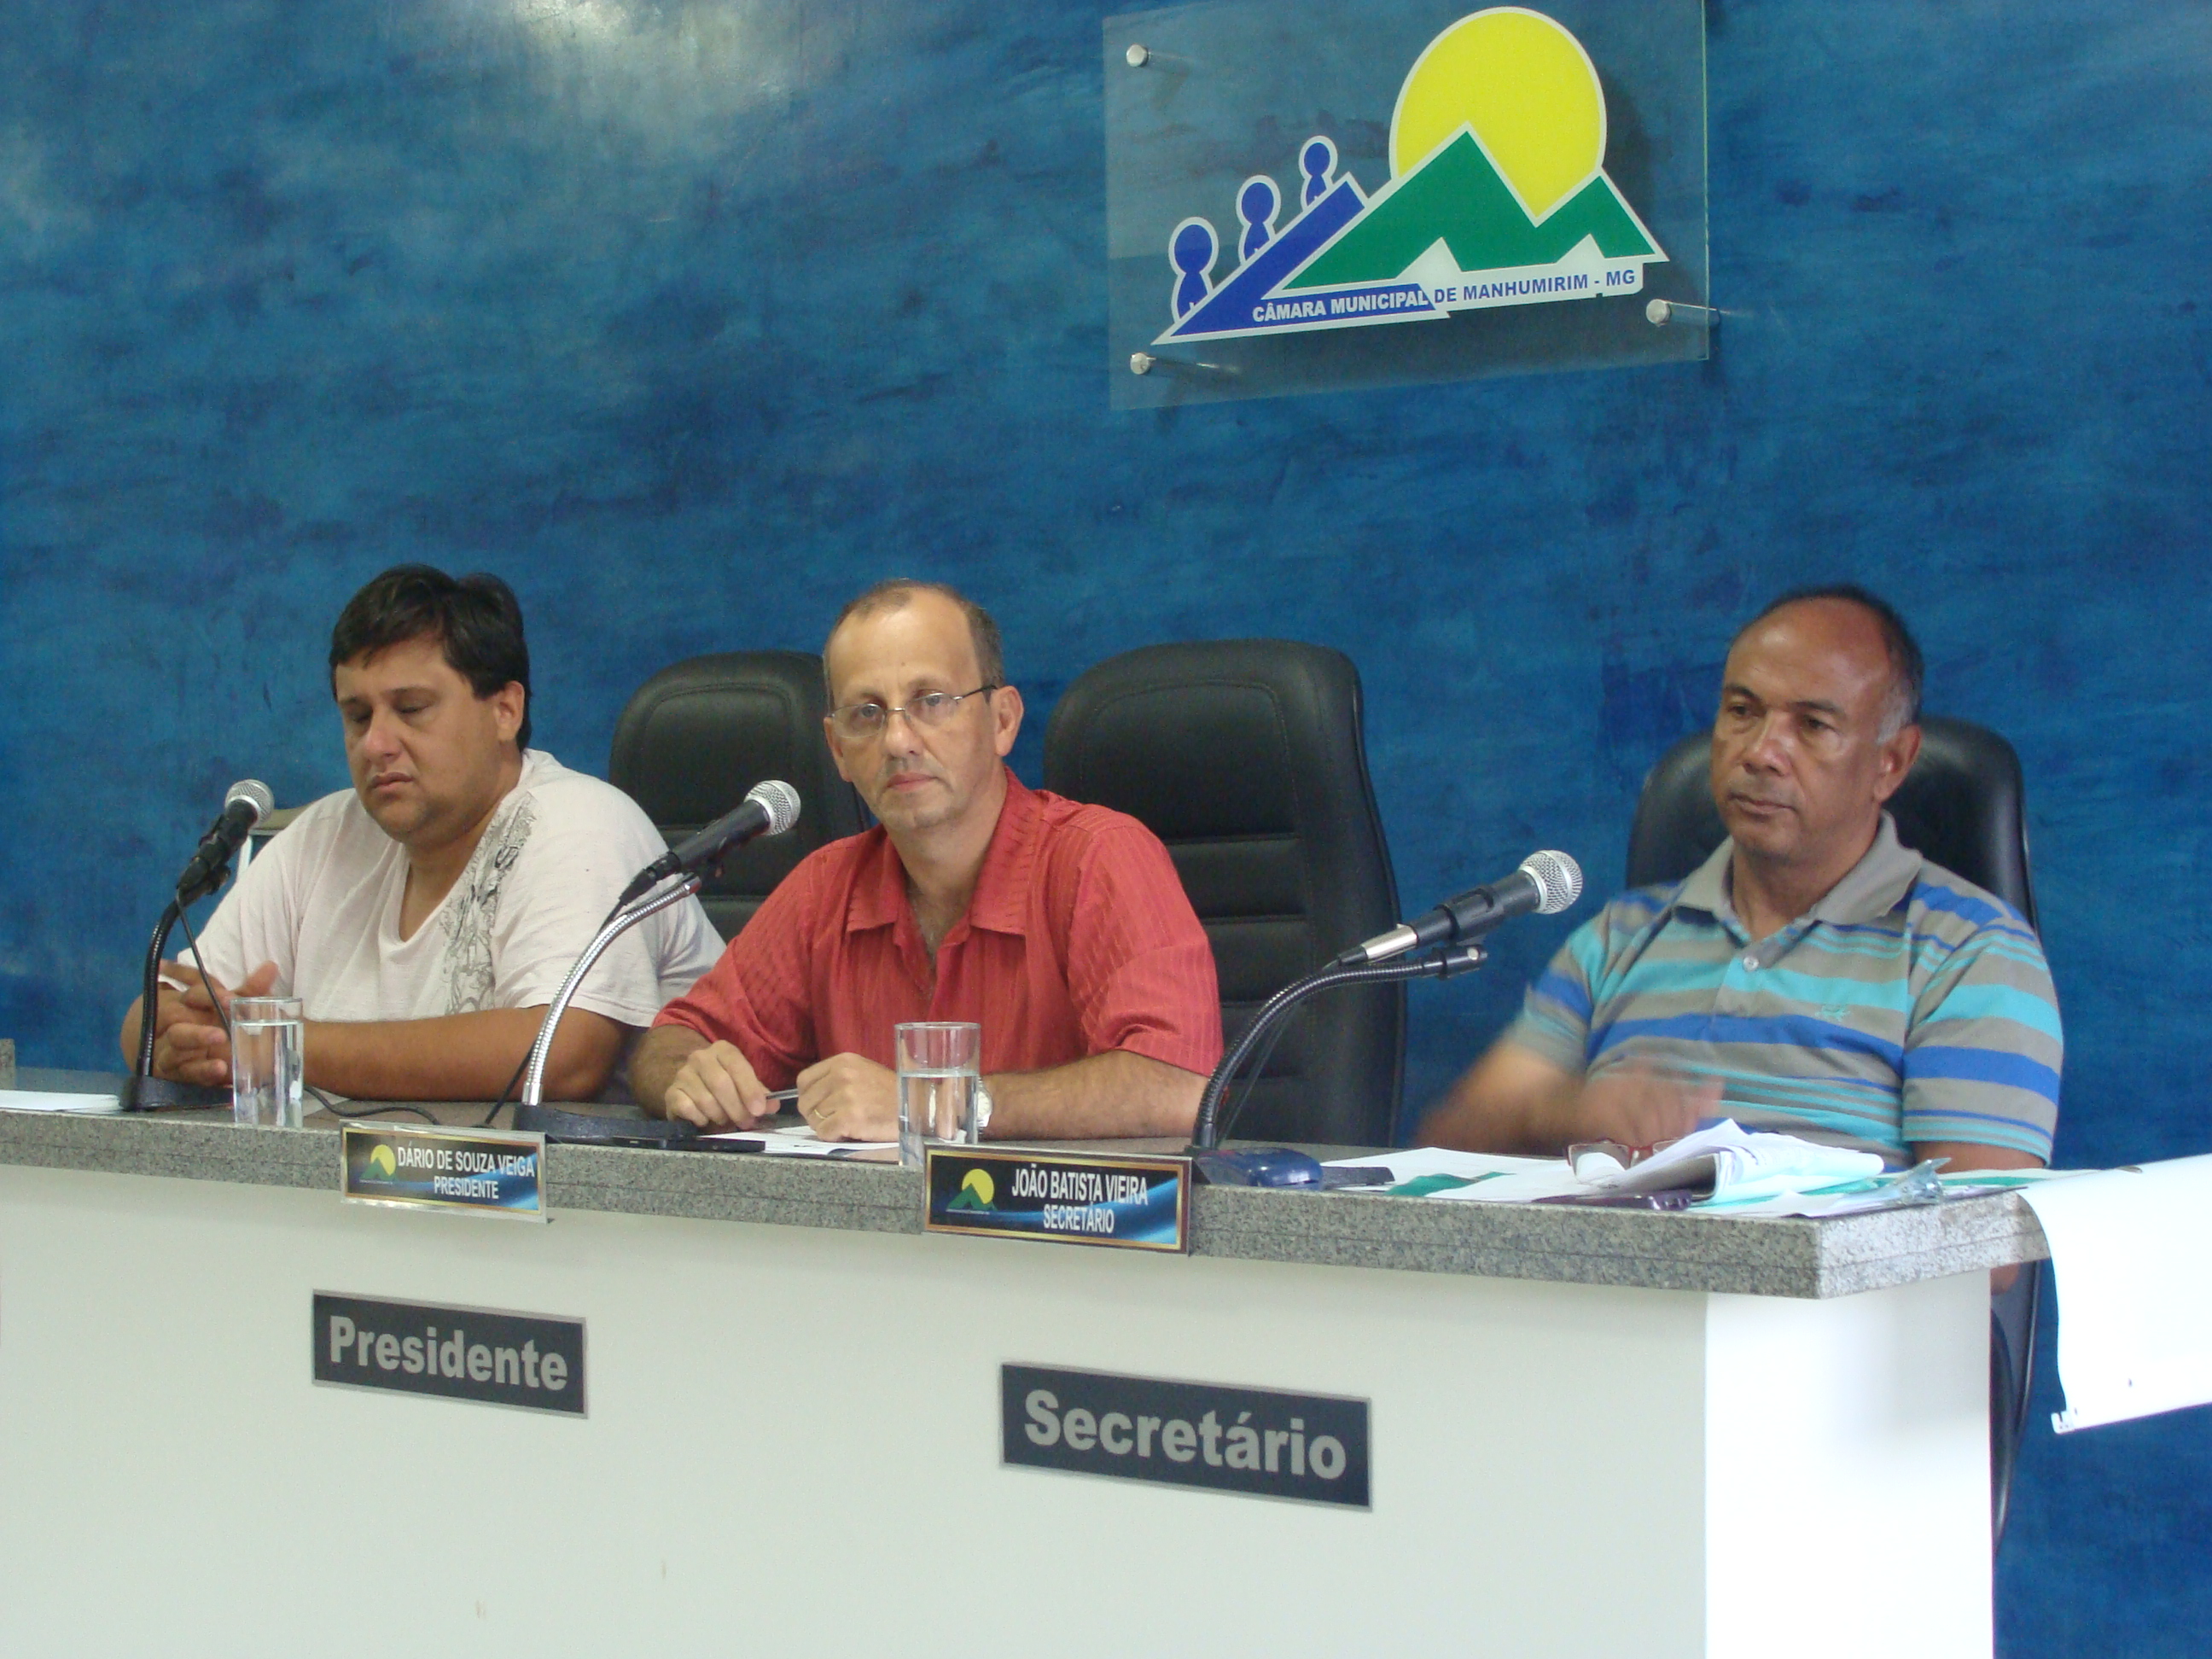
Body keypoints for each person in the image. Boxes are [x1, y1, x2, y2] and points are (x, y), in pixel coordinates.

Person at [1422, 586, 2060, 1175]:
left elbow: (1981, 1235)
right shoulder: (1619, 938)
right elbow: (1445, 1152)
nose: (1760, 752)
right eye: (1742, 711)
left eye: (1812, 725)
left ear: (1890, 763)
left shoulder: (1973, 951)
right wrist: (1562, 1113)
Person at [632, 579, 1222, 1140]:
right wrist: (690, 1078)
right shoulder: (823, 887)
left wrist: (938, 1103)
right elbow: (673, 1041)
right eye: (867, 713)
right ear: (838, 750)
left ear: (1002, 721)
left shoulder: (1098, 858)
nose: (897, 741)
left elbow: (1179, 1088)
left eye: (931, 701)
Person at [121, 565, 723, 1102]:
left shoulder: (579, 824)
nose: (376, 744)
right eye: (358, 716)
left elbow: (562, 1055)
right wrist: (183, 1044)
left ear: (505, 711)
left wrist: (275, 1042)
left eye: (411, 709)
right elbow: (149, 1015)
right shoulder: (324, 835)